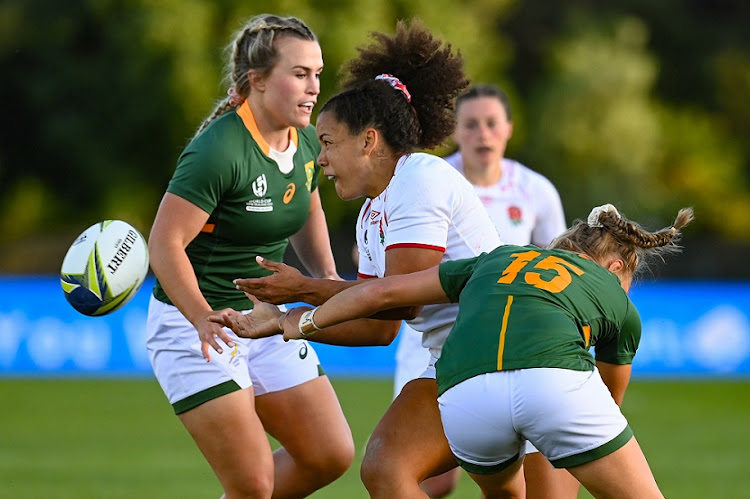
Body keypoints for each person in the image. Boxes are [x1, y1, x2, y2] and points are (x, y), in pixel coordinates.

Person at [222, 19, 519, 498]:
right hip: (461, 358)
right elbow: (377, 327)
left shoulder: (419, 174)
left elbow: (405, 301)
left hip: (507, 346)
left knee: (394, 469)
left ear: (369, 141)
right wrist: (280, 321)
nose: (320, 159)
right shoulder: (369, 214)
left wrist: (303, 291)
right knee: (400, 471)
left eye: (329, 142)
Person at [226, 204, 693, 499]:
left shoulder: (500, 256)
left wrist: (293, 320)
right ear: (616, 266)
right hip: (555, 387)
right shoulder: (616, 300)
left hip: (465, 399)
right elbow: (608, 398)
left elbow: (379, 294)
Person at [145, 14, 354, 499]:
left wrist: (327, 277)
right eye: (299, 74)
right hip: (196, 324)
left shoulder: (304, 138)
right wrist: (200, 317)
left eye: (317, 74)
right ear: (256, 81)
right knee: (253, 484)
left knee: (329, 453)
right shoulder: (219, 150)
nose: (313, 87)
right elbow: (164, 243)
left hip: (263, 319)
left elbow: (305, 202)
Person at [394, 83, 568, 497]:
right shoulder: (428, 179)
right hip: (429, 341)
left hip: (505, 341)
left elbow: (560, 264)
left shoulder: (535, 190)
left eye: (492, 124)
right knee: (429, 475)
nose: (482, 134)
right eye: (471, 125)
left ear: (508, 129)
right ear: (455, 131)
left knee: (520, 474)